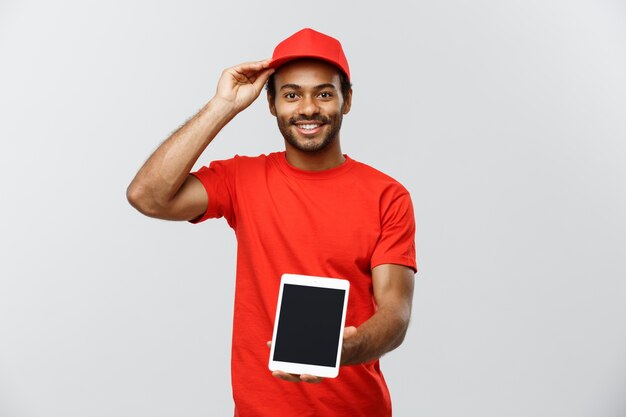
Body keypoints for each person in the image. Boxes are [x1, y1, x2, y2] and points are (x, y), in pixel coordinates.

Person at [127, 28, 417, 417]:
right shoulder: (241, 179)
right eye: (292, 94)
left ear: (347, 100)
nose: (308, 108)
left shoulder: (387, 195)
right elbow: (147, 196)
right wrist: (222, 106)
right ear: (271, 103)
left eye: (324, 93)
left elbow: (395, 312)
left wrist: (347, 348)